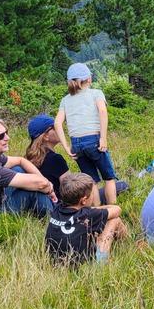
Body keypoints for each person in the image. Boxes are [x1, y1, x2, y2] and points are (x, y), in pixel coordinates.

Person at [25, 115, 128, 206]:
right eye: (55, 128)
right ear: (46, 136)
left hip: (44, 203)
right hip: (62, 204)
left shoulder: (28, 158)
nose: (61, 129)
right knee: (121, 185)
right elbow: (71, 189)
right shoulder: (55, 159)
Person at [54, 63, 119, 206]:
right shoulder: (96, 93)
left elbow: (57, 123)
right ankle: (112, 210)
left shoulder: (65, 100)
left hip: (76, 144)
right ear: (88, 79)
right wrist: (103, 138)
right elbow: (102, 111)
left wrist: (66, 147)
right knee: (108, 178)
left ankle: (96, 211)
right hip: (94, 140)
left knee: (92, 181)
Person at [46, 172, 128, 265]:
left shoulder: (57, 208)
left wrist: (89, 209)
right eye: (92, 194)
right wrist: (95, 209)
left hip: (55, 261)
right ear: (84, 200)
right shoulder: (88, 214)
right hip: (83, 266)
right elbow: (117, 209)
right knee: (114, 220)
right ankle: (125, 246)